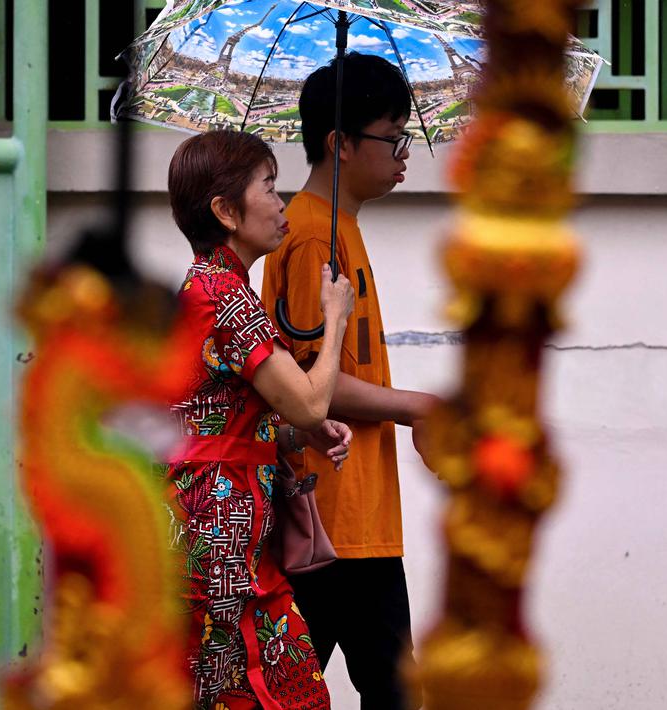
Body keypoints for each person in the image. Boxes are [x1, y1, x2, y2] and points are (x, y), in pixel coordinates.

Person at [261, 53, 439, 710]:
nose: (401, 155)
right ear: (339, 142)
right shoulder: (310, 236)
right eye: (391, 138)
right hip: (331, 516)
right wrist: (414, 405)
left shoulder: (335, 228)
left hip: (353, 510)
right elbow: (309, 384)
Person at [166, 130, 356, 710]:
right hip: (221, 534)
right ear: (225, 211)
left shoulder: (207, 289)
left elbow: (219, 416)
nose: (281, 204)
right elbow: (309, 400)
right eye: (269, 188)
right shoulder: (227, 296)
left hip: (219, 527)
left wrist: (297, 430)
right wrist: (336, 319)